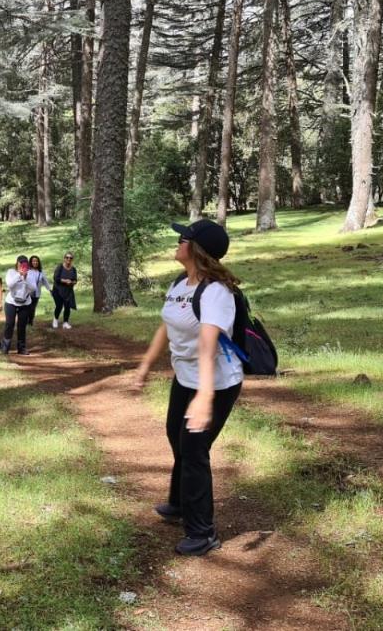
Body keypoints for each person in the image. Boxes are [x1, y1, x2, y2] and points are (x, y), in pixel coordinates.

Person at [131, 218, 242, 557]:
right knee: (175, 436)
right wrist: (146, 365)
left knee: (194, 449)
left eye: (184, 238)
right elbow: (166, 327)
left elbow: (208, 345)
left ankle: (202, 531)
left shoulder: (216, 293)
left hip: (217, 384)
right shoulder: (182, 283)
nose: (178, 240)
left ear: (196, 248)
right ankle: (179, 503)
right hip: (185, 378)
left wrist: (205, 396)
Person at [2, 255, 35, 355]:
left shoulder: (31, 274)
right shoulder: (11, 272)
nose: (22, 265)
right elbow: (10, 285)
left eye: (24, 263)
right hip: (11, 301)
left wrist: (25, 278)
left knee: (22, 325)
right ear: (17, 263)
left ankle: (21, 347)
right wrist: (19, 275)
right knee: (9, 324)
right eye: (20, 263)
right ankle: (5, 347)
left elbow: (33, 288)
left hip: (25, 303)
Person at [51, 253, 78, 329]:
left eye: (70, 258)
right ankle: (55, 319)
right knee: (59, 306)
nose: (69, 259)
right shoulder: (60, 267)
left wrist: (72, 282)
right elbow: (56, 278)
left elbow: (75, 280)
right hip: (58, 290)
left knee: (67, 306)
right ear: (64, 258)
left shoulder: (73, 269)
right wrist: (65, 281)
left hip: (68, 291)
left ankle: (65, 322)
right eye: (67, 257)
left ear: (72, 259)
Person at [26, 255, 45, 330]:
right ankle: (26, 321)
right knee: (27, 307)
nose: (35, 262)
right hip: (28, 292)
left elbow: (45, 281)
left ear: (38, 262)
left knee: (32, 308)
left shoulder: (41, 272)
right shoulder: (28, 271)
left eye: (36, 261)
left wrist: (50, 289)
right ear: (31, 262)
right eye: (33, 261)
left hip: (36, 293)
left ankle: (30, 321)